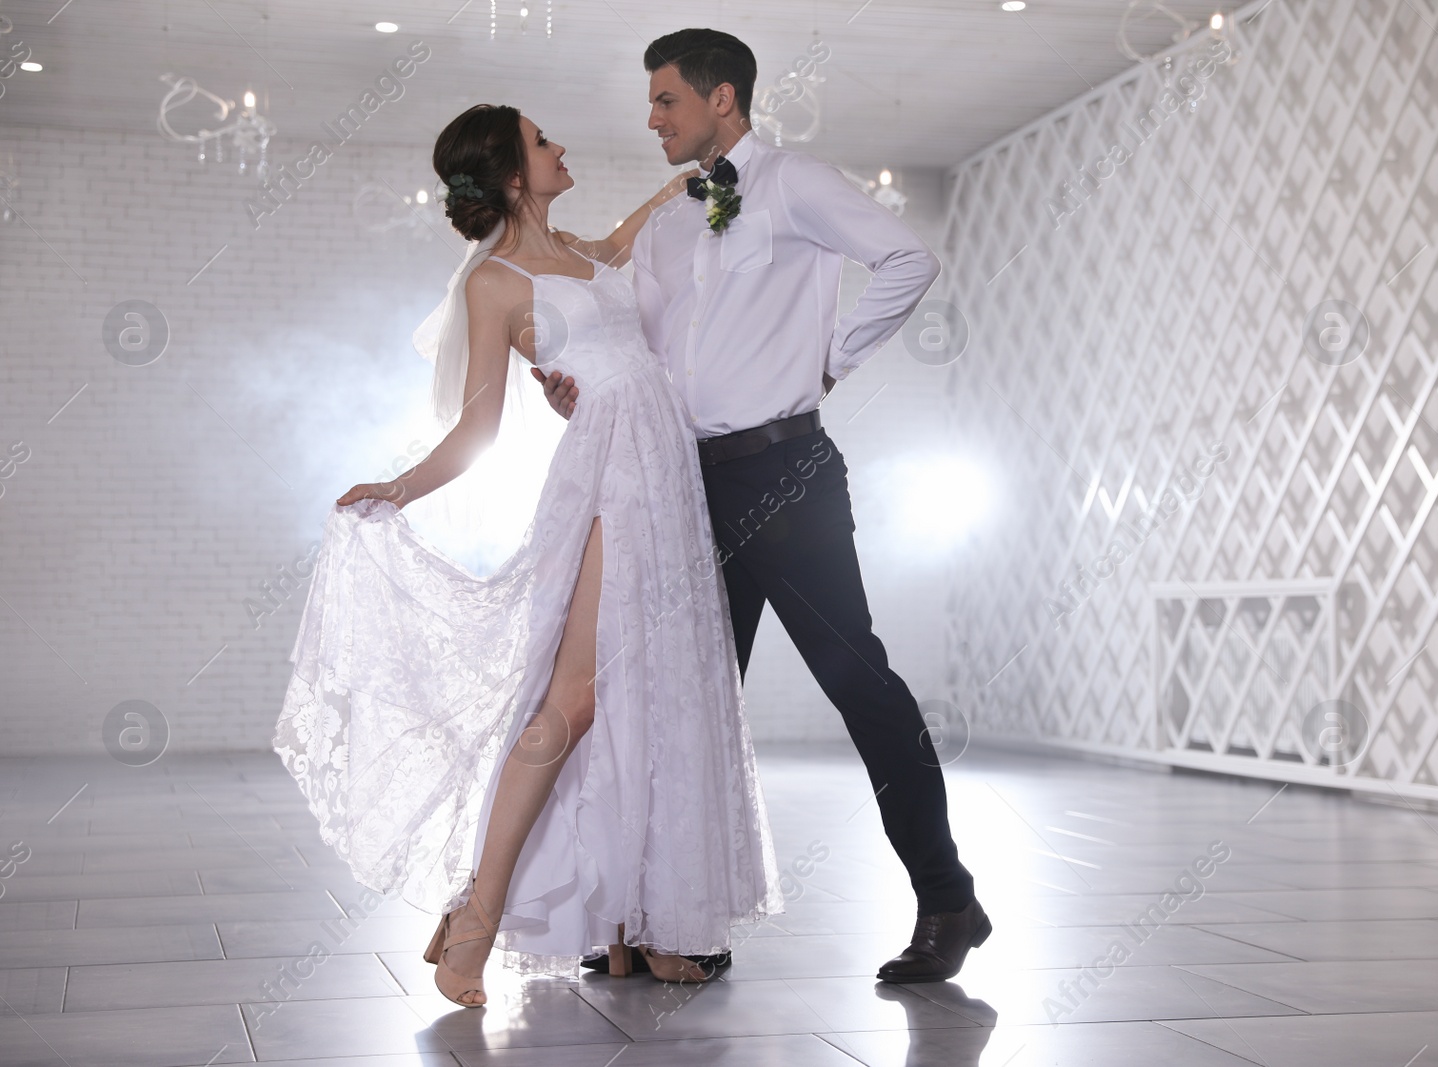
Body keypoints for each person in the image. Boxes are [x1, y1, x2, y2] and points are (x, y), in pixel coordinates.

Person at [273, 103, 782, 1009]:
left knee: (653, 691)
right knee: (574, 699)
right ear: (513, 174)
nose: (559, 146)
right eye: (543, 141)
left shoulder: (584, 248)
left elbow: (630, 241)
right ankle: (476, 916)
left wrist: (702, 174)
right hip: (608, 481)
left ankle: (639, 926)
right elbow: (477, 428)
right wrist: (396, 487)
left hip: (668, 479)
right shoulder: (495, 283)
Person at [539, 28, 988, 984]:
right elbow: (648, 356)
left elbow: (908, 260)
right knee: (687, 703)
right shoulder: (665, 223)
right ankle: (674, 921)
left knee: (857, 680)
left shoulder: (794, 183)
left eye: (666, 100)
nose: (651, 117)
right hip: (688, 483)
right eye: (651, 100)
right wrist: (581, 387)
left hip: (787, 477)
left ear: (724, 100)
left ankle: (948, 899)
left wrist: (830, 359)